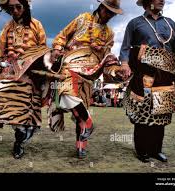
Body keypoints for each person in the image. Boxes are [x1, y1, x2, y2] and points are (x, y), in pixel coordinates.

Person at [0, 0, 49, 158]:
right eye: (11, 8)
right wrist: (5, 59)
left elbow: (43, 49)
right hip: (9, 73)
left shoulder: (37, 25)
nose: (14, 10)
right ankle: (17, 138)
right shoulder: (7, 27)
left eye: (18, 7)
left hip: (30, 75)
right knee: (8, 108)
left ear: (25, 7)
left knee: (26, 114)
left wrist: (28, 56)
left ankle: (20, 140)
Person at [49, 0, 123, 158]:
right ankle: (89, 123)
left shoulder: (110, 33)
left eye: (113, 13)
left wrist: (113, 68)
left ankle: (80, 147)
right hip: (71, 64)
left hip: (91, 73)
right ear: (101, 7)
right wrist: (57, 48)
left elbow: (106, 56)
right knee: (64, 93)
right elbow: (63, 35)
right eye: (108, 11)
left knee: (81, 109)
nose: (109, 15)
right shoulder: (83, 18)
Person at [120, 0, 175, 162]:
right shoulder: (135, 23)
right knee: (143, 114)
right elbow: (125, 48)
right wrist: (124, 63)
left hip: (166, 76)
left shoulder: (170, 23)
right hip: (144, 75)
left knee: (162, 114)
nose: (162, 0)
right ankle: (142, 150)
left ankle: (156, 150)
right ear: (147, 2)